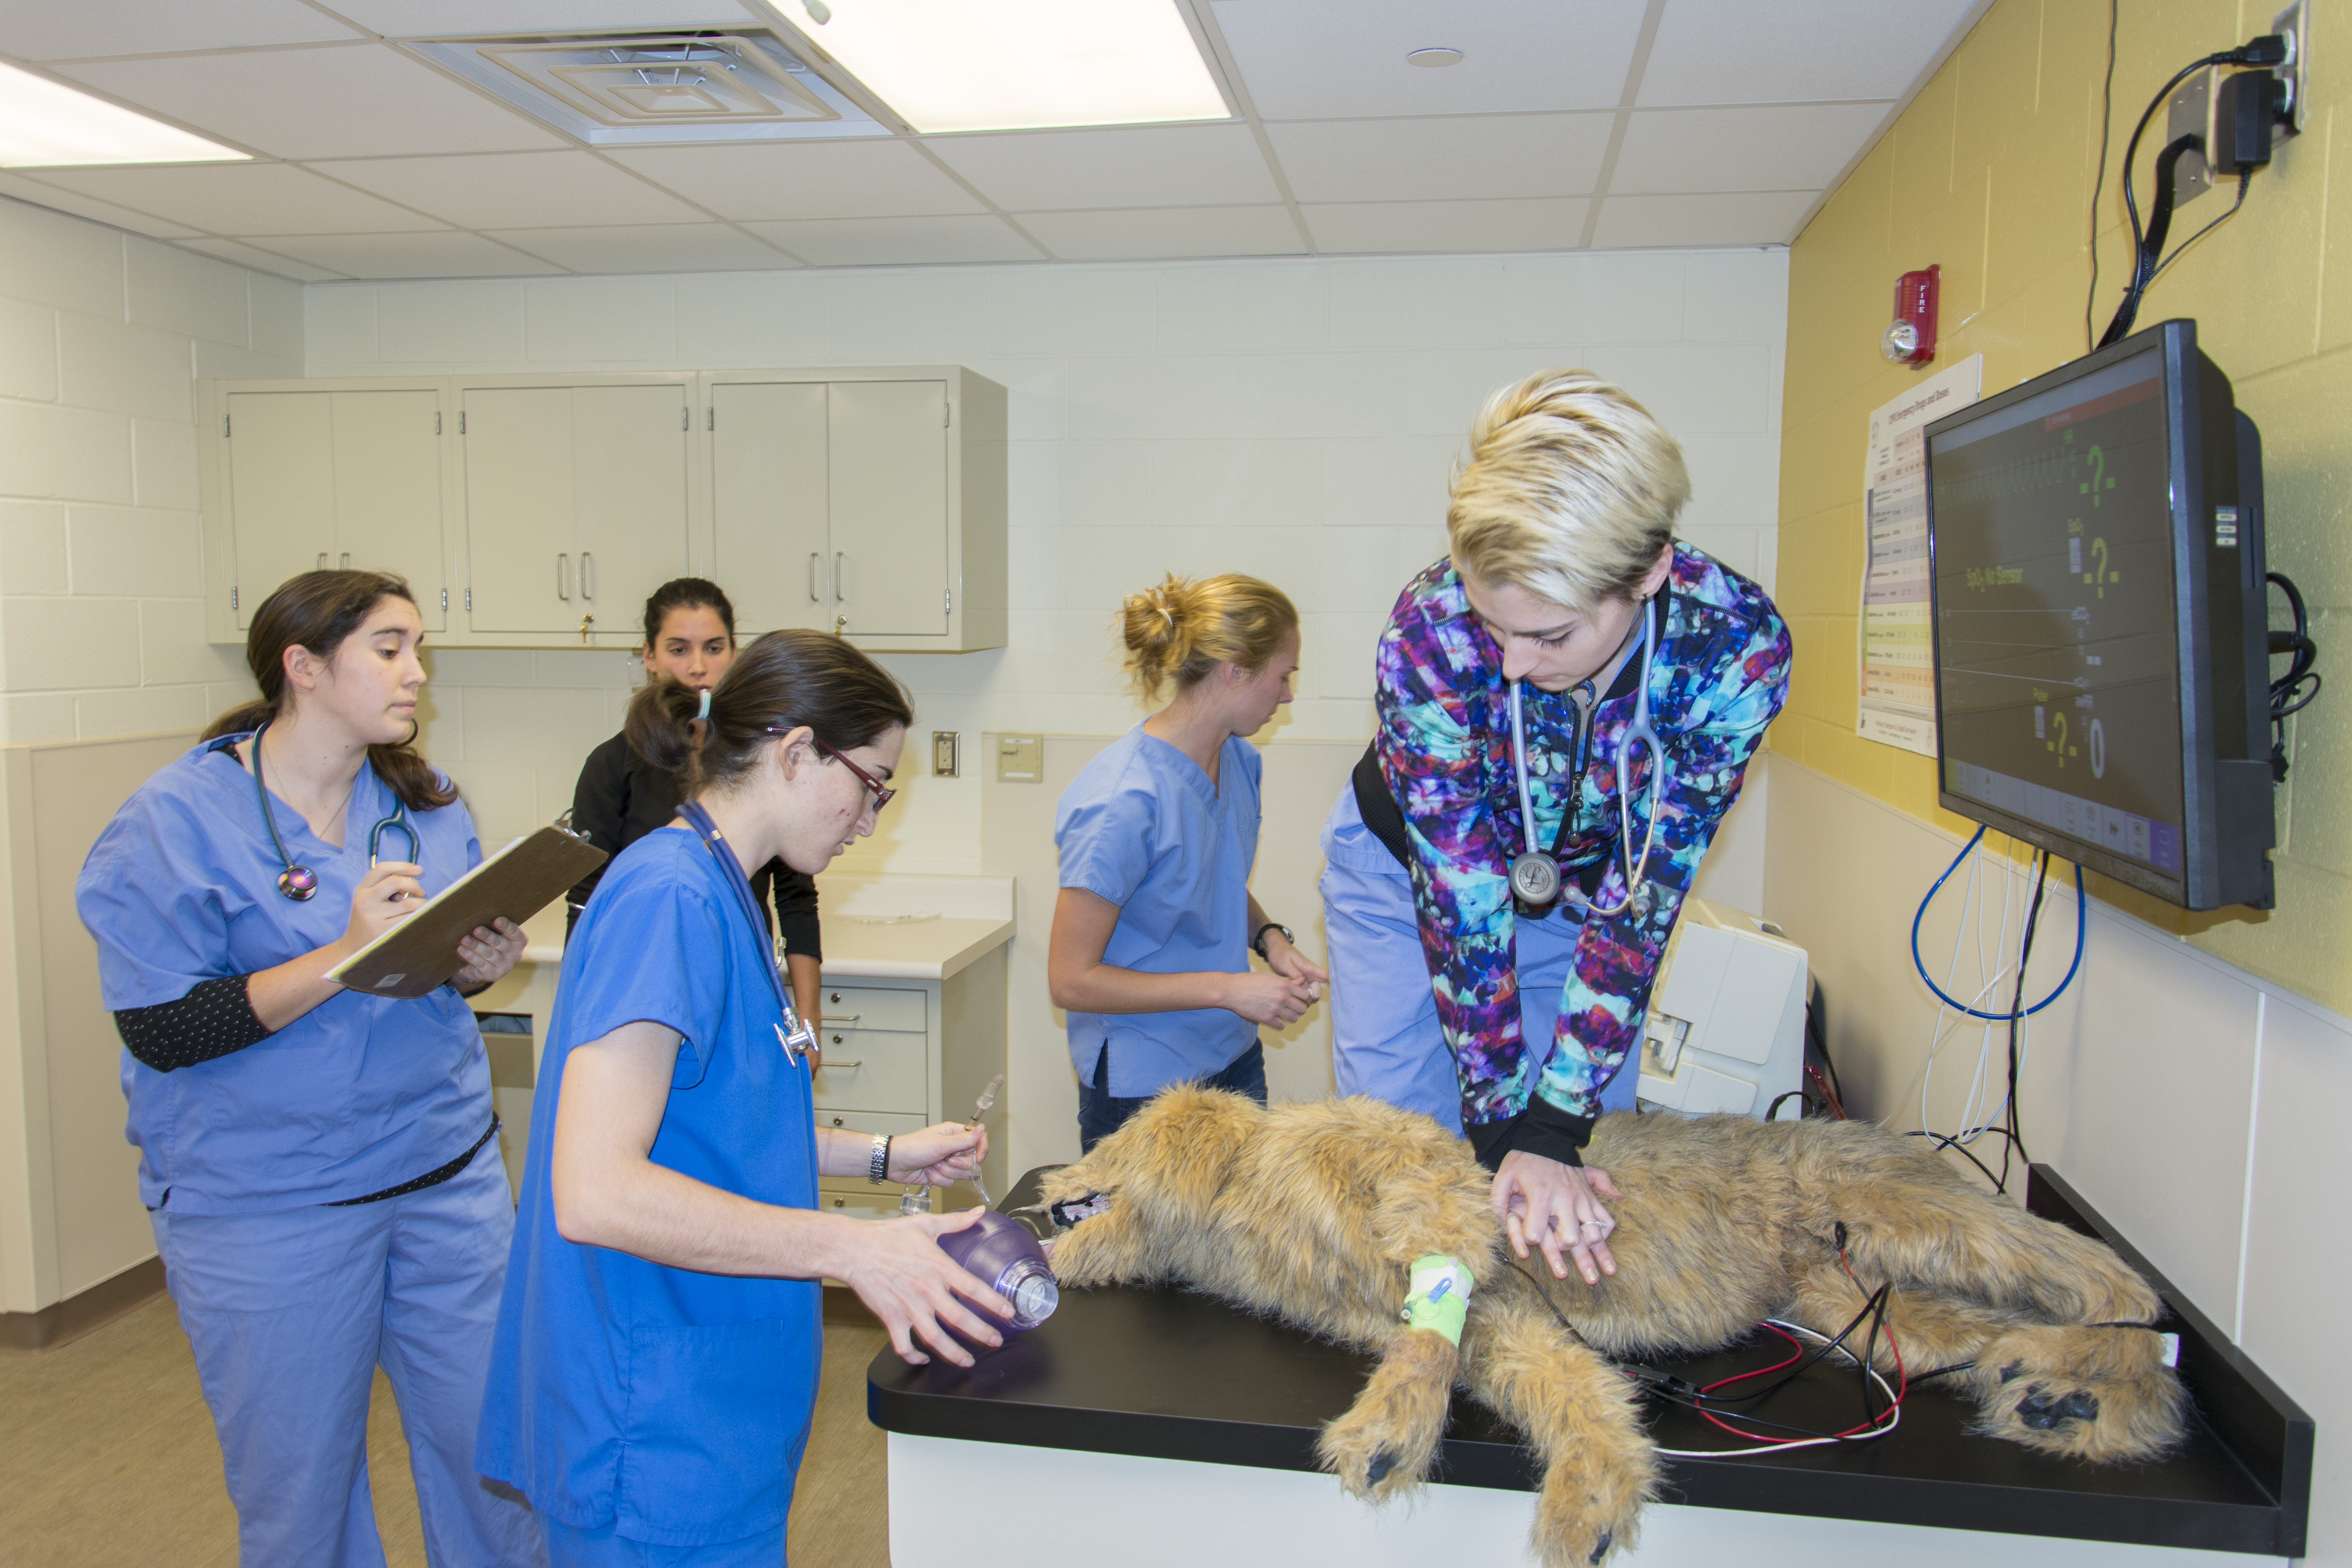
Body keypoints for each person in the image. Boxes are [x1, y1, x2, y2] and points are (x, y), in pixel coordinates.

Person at [477, 629, 1007, 1566]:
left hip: (713, 1406)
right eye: (873, 784)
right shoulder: (665, 899)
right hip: (649, 1426)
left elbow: (721, 1124)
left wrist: (881, 1158)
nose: (870, 819)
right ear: (796, 750)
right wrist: (855, 1247)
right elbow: (596, 1189)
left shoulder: (727, 890)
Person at [75, 569, 543, 1567]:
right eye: (390, 648)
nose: (417, 673)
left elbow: (417, 986)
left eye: (419, 647)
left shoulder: (426, 802)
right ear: (303, 667)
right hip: (269, 1203)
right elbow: (166, 1027)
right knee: (303, 1489)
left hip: (442, 1179)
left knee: (496, 1455)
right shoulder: (174, 822)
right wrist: (340, 952)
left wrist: (473, 969)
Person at [1322, 369, 1791, 1289]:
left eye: (1551, 637)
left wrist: (1550, 1126)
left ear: (1650, 571)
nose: (1511, 662)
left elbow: (1644, 899)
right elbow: (1462, 903)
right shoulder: (1428, 627)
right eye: (1494, 623)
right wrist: (1503, 1125)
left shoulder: (1732, 649)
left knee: (1581, 1165)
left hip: (1587, 898)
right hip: (1405, 874)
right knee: (1401, 1146)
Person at [1049, 573, 1328, 1154]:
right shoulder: (1121, 802)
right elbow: (1071, 979)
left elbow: (1209, 879)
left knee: (1238, 1239)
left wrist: (1271, 940)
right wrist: (1229, 988)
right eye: (1284, 675)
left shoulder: (1239, 761)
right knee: (1147, 1248)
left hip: (1231, 1056)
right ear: (1234, 668)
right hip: (1145, 1083)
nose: (1288, 695)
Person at [568, 577, 823, 1033]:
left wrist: (809, 1021)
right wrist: (578, 1020)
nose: (699, 667)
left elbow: (796, 899)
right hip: (639, 999)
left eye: (714, 647)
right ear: (649, 656)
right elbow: (586, 902)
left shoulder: (767, 762)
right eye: (679, 649)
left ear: (734, 653)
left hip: (743, 989)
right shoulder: (611, 766)